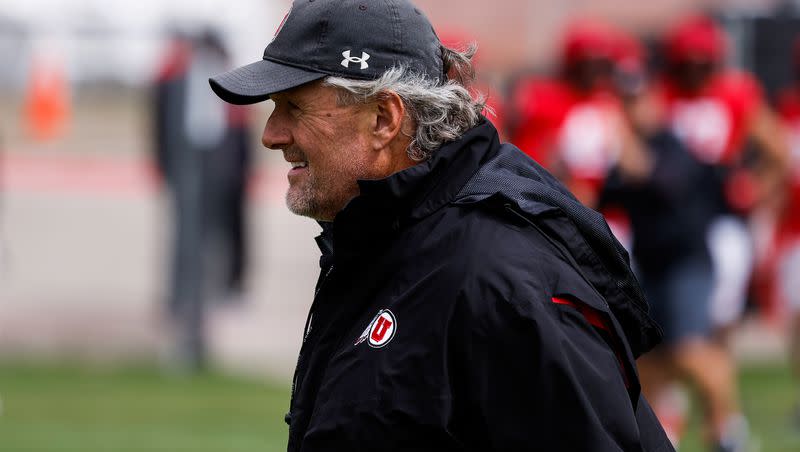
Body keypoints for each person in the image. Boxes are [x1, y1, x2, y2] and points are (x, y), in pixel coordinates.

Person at [209, 1, 672, 450]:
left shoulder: (500, 282)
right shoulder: (383, 242)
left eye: (294, 106)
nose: (272, 134)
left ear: (384, 119)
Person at [153, 28, 252, 370]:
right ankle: (185, 312)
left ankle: (204, 313)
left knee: (214, 246)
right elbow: (161, 124)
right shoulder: (175, 79)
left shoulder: (226, 82)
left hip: (218, 177)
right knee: (187, 245)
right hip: (189, 174)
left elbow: (241, 136)